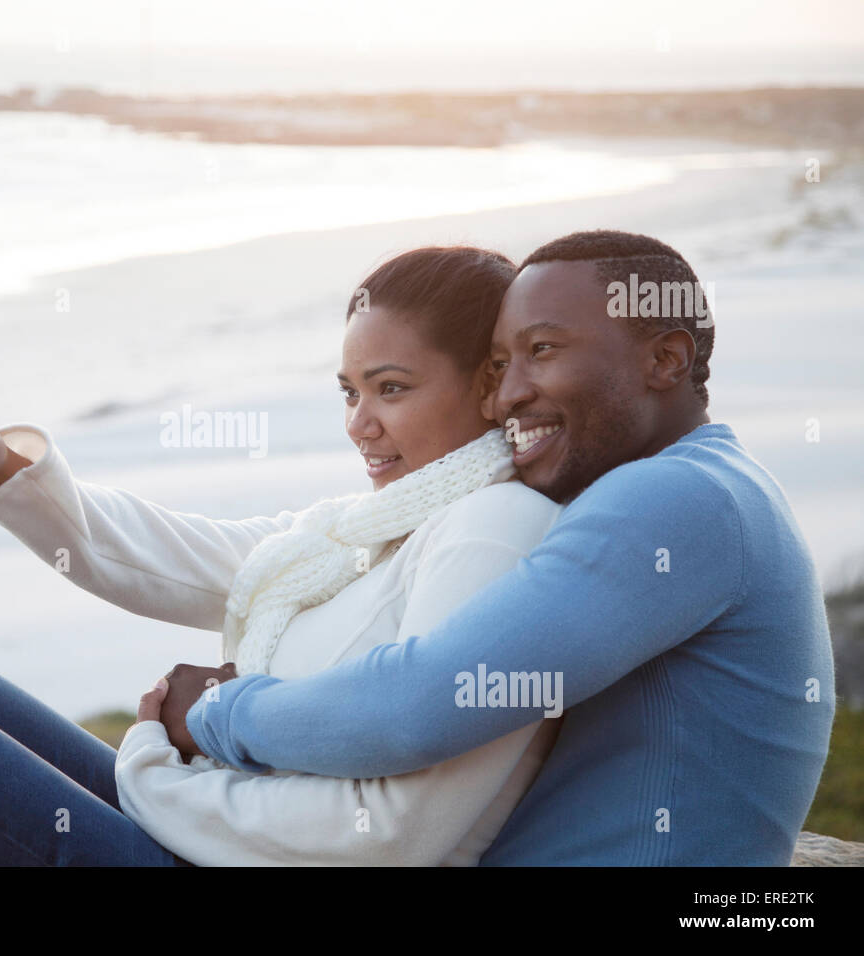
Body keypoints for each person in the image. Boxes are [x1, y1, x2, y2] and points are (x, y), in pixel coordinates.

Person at [0, 245, 566, 866]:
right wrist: (6, 476)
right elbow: (173, 558)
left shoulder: (490, 535)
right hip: (202, 829)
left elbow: (395, 833)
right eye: (348, 391)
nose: (359, 424)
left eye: (393, 390)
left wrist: (152, 764)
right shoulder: (371, 524)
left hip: (217, 849)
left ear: (489, 386)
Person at [174, 230, 837, 866]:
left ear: (664, 361)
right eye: (499, 364)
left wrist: (221, 711)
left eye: (542, 350)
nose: (508, 396)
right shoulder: (709, 486)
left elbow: (419, 703)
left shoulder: (676, 498)